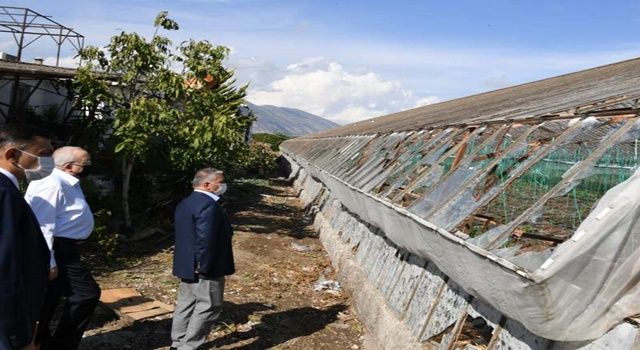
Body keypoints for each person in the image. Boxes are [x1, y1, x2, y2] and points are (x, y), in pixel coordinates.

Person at [25, 146, 99, 350]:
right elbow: (42, 226)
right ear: (68, 166)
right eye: (85, 164)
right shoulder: (51, 183)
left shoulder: (67, 182)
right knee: (86, 294)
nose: (88, 168)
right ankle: (59, 345)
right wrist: (49, 261)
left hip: (66, 248)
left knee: (49, 300)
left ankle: (44, 343)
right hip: (57, 248)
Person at [0, 124, 54, 350]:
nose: (49, 163)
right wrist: (18, 336)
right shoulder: (4, 194)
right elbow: (5, 270)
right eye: (43, 155)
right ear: (12, 155)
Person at [170, 168, 235, 350]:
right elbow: (205, 240)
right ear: (206, 184)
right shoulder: (208, 205)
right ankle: (189, 346)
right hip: (205, 267)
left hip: (187, 264)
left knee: (186, 304)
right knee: (209, 306)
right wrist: (204, 267)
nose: (223, 186)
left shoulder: (186, 202)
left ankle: (177, 343)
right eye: (220, 182)